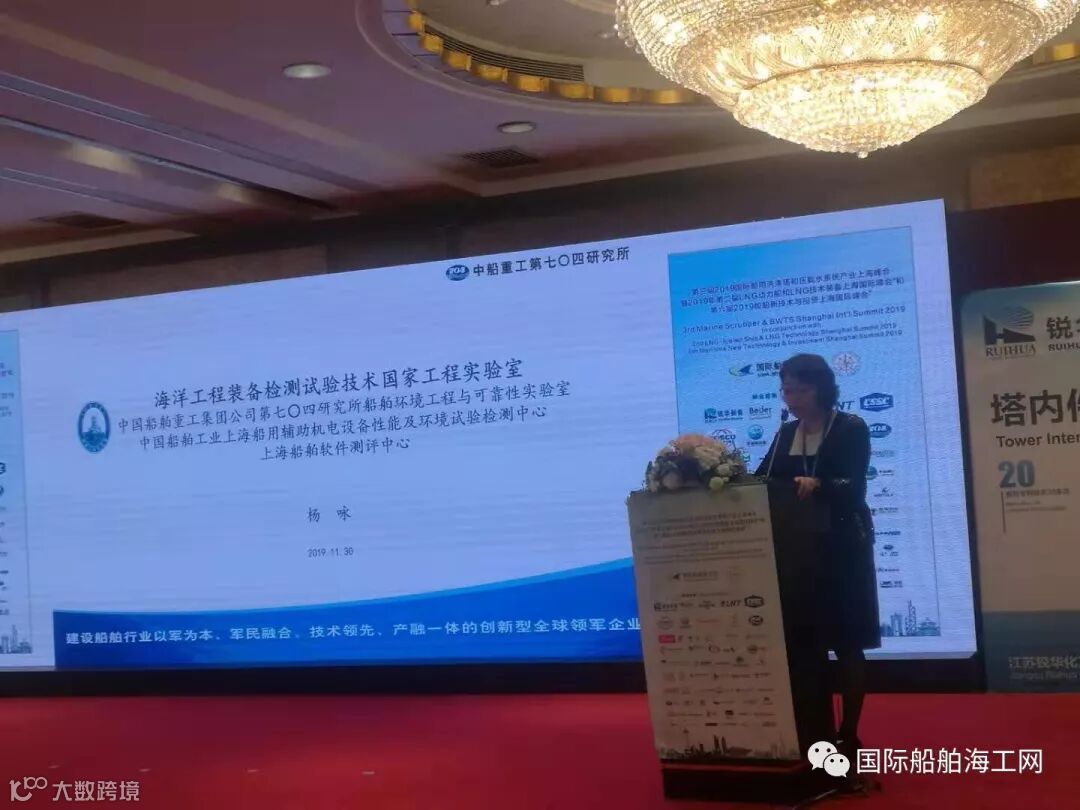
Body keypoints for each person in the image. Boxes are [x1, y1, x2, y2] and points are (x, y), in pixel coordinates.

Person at [755, 353, 880, 758]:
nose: (791, 398)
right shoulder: (785, 432)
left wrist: (819, 484)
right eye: (786, 390)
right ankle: (810, 733)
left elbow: (853, 486)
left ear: (821, 388)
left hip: (842, 549)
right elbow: (762, 480)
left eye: (800, 390)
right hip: (797, 554)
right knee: (804, 643)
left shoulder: (849, 427)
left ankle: (848, 735)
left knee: (846, 642)